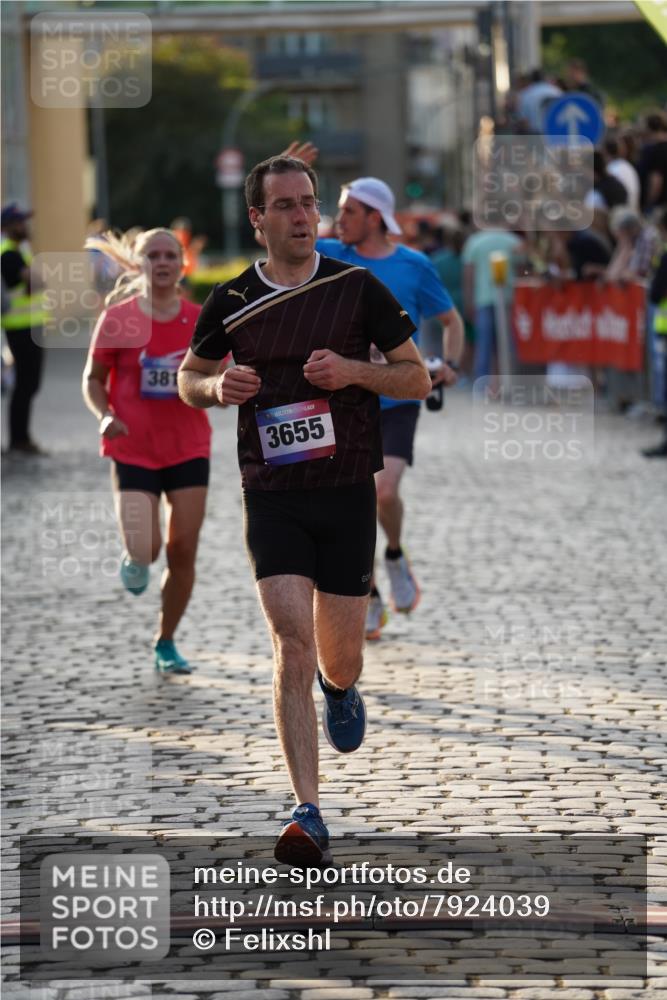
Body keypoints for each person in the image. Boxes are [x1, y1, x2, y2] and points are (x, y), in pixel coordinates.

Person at [177, 155, 430, 863]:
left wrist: (352, 372)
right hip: (272, 495)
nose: (301, 216)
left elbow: (413, 377)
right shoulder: (229, 300)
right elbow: (189, 379)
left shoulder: (357, 289)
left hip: (346, 490)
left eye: (308, 203)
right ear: (257, 219)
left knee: (337, 658)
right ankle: (307, 810)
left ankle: (339, 688)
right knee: (291, 642)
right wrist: (216, 387)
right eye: (284, 205)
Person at [316, 177, 463, 640]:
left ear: (374, 217)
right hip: (349, 397)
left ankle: (395, 554)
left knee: (383, 492)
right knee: (355, 500)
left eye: (348, 212)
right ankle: (370, 592)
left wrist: (451, 363)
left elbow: (451, 320)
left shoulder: (414, 265)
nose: (339, 221)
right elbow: (269, 233)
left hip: (399, 396)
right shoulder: (335, 258)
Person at [82, 228, 214, 674]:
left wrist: (220, 387)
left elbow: (218, 375)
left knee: (182, 552)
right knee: (146, 550)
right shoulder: (119, 318)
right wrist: (104, 415)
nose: (161, 262)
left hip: (188, 446)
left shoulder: (200, 318)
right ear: (138, 265)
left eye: (169, 255)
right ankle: (134, 557)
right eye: (152, 255)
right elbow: (93, 380)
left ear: (182, 264)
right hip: (132, 446)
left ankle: (166, 640)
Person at [1, 203, 49, 454]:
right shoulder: (8, 253)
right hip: (20, 328)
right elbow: (36, 281)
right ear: (7, 226)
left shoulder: (18, 251)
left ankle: (21, 438)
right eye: (20, 222)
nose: (25, 226)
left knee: (28, 384)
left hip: (28, 326)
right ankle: (19, 440)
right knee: (25, 384)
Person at [462, 226, 523, 381]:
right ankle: (510, 379)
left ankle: (482, 382)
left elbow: (469, 274)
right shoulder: (514, 241)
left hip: (482, 298)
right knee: (508, 342)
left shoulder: (474, 242)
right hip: (509, 298)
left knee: (484, 344)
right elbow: (522, 271)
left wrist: (469, 301)